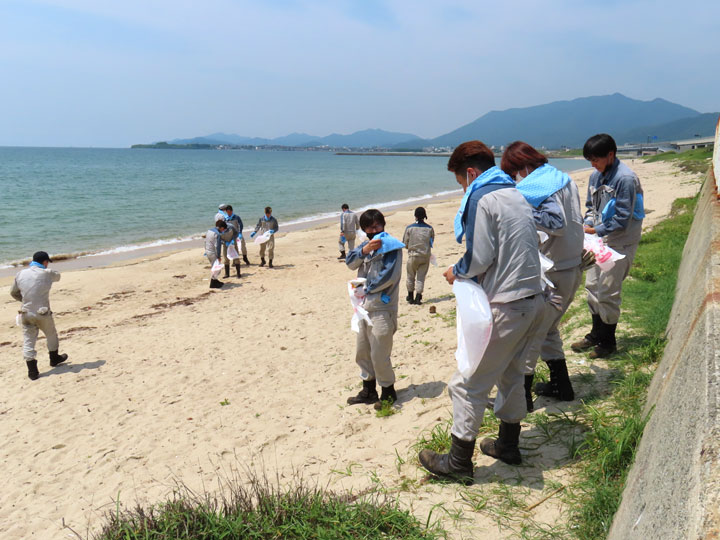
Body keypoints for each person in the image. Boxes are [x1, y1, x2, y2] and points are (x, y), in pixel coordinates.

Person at [418, 140, 545, 484]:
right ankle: (508, 445)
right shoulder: (514, 192)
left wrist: (455, 271)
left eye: (461, 182)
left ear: (471, 173)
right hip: (534, 299)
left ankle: (458, 462)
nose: (463, 189)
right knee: (512, 374)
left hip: (508, 303)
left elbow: (480, 257)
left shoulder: (482, 196)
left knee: (466, 384)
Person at [501, 141, 585, 409]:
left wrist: (518, 210)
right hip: (571, 265)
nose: (516, 179)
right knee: (548, 330)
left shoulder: (543, 185)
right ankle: (562, 386)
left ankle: (520, 399)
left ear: (523, 167)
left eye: (514, 173)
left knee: (530, 336)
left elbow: (556, 223)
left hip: (554, 270)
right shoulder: (562, 179)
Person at [572, 134, 644, 358]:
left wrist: (595, 230)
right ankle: (596, 334)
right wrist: (589, 224)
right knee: (592, 288)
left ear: (610, 155)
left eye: (595, 159)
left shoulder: (626, 179)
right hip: (598, 240)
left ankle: (608, 342)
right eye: (590, 160)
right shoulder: (595, 177)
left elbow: (622, 218)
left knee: (608, 292)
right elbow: (590, 207)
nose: (592, 164)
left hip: (621, 241)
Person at [345, 209, 403, 410]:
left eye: (377, 225)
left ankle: (388, 392)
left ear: (383, 224)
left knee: (380, 353)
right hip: (362, 308)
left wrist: (365, 289)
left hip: (382, 308)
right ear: (363, 229)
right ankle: (368, 390)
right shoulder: (365, 246)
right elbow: (350, 263)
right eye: (369, 226)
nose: (374, 229)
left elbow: (389, 276)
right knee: (363, 352)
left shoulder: (392, 246)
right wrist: (364, 250)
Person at [10, 251, 69, 380]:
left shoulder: (20, 274)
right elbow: (58, 277)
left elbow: (13, 293)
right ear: (45, 262)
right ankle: (54, 358)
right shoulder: (47, 273)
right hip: (42, 312)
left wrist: (25, 300)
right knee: (51, 334)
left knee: (28, 341)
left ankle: (32, 371)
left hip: (25, 312)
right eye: (47, 262)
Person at [402, 206, 434, 305]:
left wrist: (410, 247)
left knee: (410, 276)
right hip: (424, 256)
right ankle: (418, 297)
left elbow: (405, 243)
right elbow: (431, 242)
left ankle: (410, 296)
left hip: (413, 256)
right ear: (425, 216)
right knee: (421, 277)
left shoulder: (409, 228)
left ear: (415, 216)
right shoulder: (430, 229)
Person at [206, 219, 231, 288]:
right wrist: (219, 256)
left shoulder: (209, 231)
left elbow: (207, 241)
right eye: (224, 230)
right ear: (222, 228)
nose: (223, 231)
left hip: (208, 251)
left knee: (214, 267)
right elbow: (218, 246)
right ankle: (213, 283)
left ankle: (215, 281)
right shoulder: (217, 234)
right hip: (213, 253)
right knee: (217, 269)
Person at [221, 205, 243, 278]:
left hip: (233, 242)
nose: (228, 214)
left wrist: (234, 239)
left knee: (236, 257)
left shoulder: (235, 219)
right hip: (225, 244)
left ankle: (238, 273)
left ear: (231, 211)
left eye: (229, 212)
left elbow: (237, 230)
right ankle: (227, 274)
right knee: (225, 258)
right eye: (227, 212)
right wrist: (223, 242)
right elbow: (219, 235)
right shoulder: (224, 220)